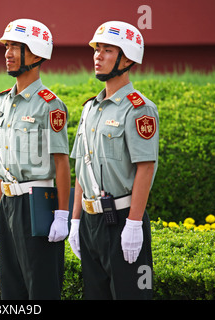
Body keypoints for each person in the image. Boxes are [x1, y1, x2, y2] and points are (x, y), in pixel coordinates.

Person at [68, 21, 159, 299]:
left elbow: (146, 166)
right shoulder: (89, 109)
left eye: (107, 50)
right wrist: (75, 221)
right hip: (90, 222)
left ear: (127, 58)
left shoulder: (139, 108)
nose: (98, 56)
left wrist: (133, 224)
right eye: (97, 50)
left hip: (122, 219)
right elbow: (82, 168)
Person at [0, 18, 70, 300]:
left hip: (38, 203)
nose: (7, 53)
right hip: (9, 203)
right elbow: (1, 162)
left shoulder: (50, 105)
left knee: (42, 288)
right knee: (12, 289)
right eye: (7, 46)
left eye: (16, 47)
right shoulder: (1, 103)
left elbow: (61, 163)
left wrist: (62, 214)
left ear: (35, 54)